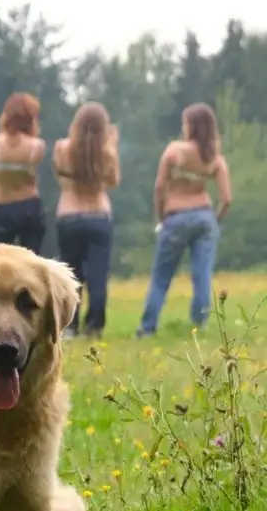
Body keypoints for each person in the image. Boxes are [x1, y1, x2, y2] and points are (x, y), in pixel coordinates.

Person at [136, 103, 232, 337]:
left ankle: (147, 327)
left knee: (161, 277)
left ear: (191, 126)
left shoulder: (174, 152)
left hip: (176, 217)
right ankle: (199, 325)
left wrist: (160, 217)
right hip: (204, 217)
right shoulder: (214, 158)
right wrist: (214, 220)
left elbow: (159, 187)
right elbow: (227, 198)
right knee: (202, 275)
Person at [53, 102, 120, 339]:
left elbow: (59, 175)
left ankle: (70, 325)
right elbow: (113, 181)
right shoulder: (107, 154)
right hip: (98, 216)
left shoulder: (62, 149)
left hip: (69, 215)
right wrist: (112, 144)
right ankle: (94, 325)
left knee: (71, 274)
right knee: (98, 276)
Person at [0, 93, 46, 254]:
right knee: (31, 259)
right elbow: (32, 178)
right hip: (30, 207)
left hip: (3, 208)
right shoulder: (37, 146)